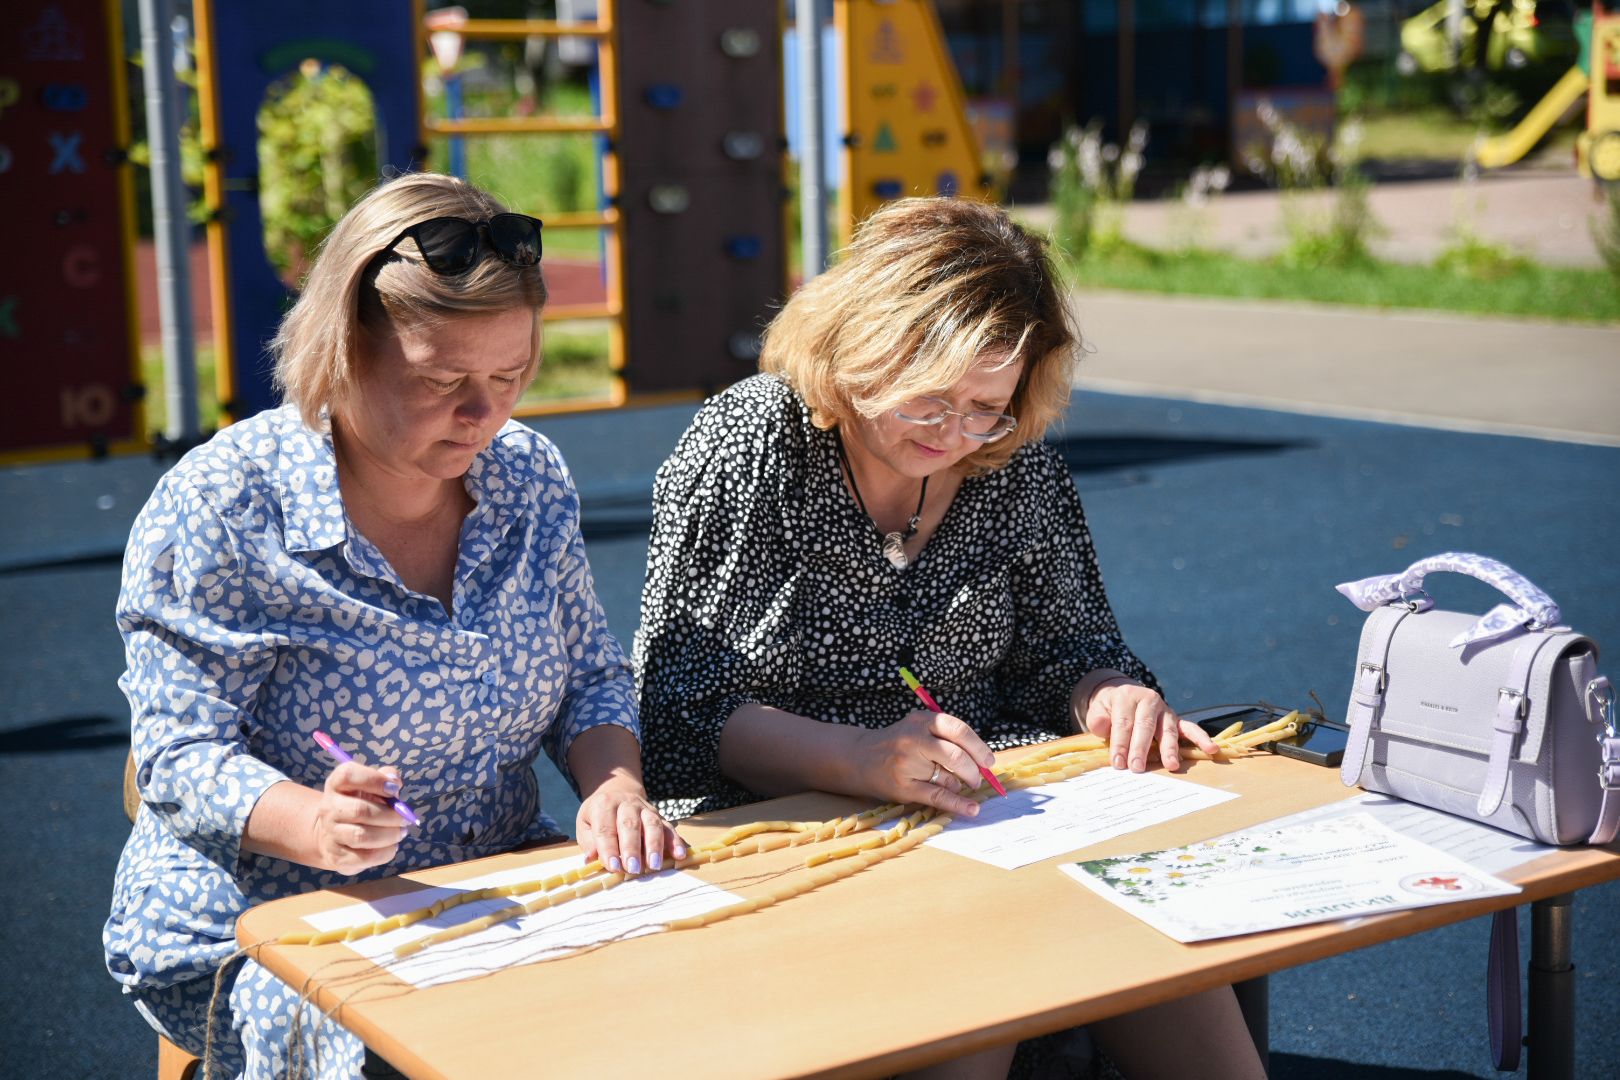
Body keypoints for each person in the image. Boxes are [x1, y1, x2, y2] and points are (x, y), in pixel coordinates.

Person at [634, 197, 1261, 1078]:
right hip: (779, 830)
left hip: (982, 812)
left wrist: (1108, 694)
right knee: (984, 960)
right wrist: (854, 758)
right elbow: (678, 714)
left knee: (1161, 928)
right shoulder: (755, 439)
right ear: (863, 343)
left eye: (985, 408)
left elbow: (1070, 649)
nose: (955, 435)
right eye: (930, 400)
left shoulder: (1010, 456)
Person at [105, 173, 682, 1078]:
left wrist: (612, 787)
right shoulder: (224, 504)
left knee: (681, 998)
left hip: (488, 885)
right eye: (442, 380)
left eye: (510, 375)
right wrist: (312, 822)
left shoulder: (526, 476)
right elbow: (179, 756)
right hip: (267, 912)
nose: (485, 414)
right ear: (342, 349)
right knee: (401, 1053)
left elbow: (589, 679)